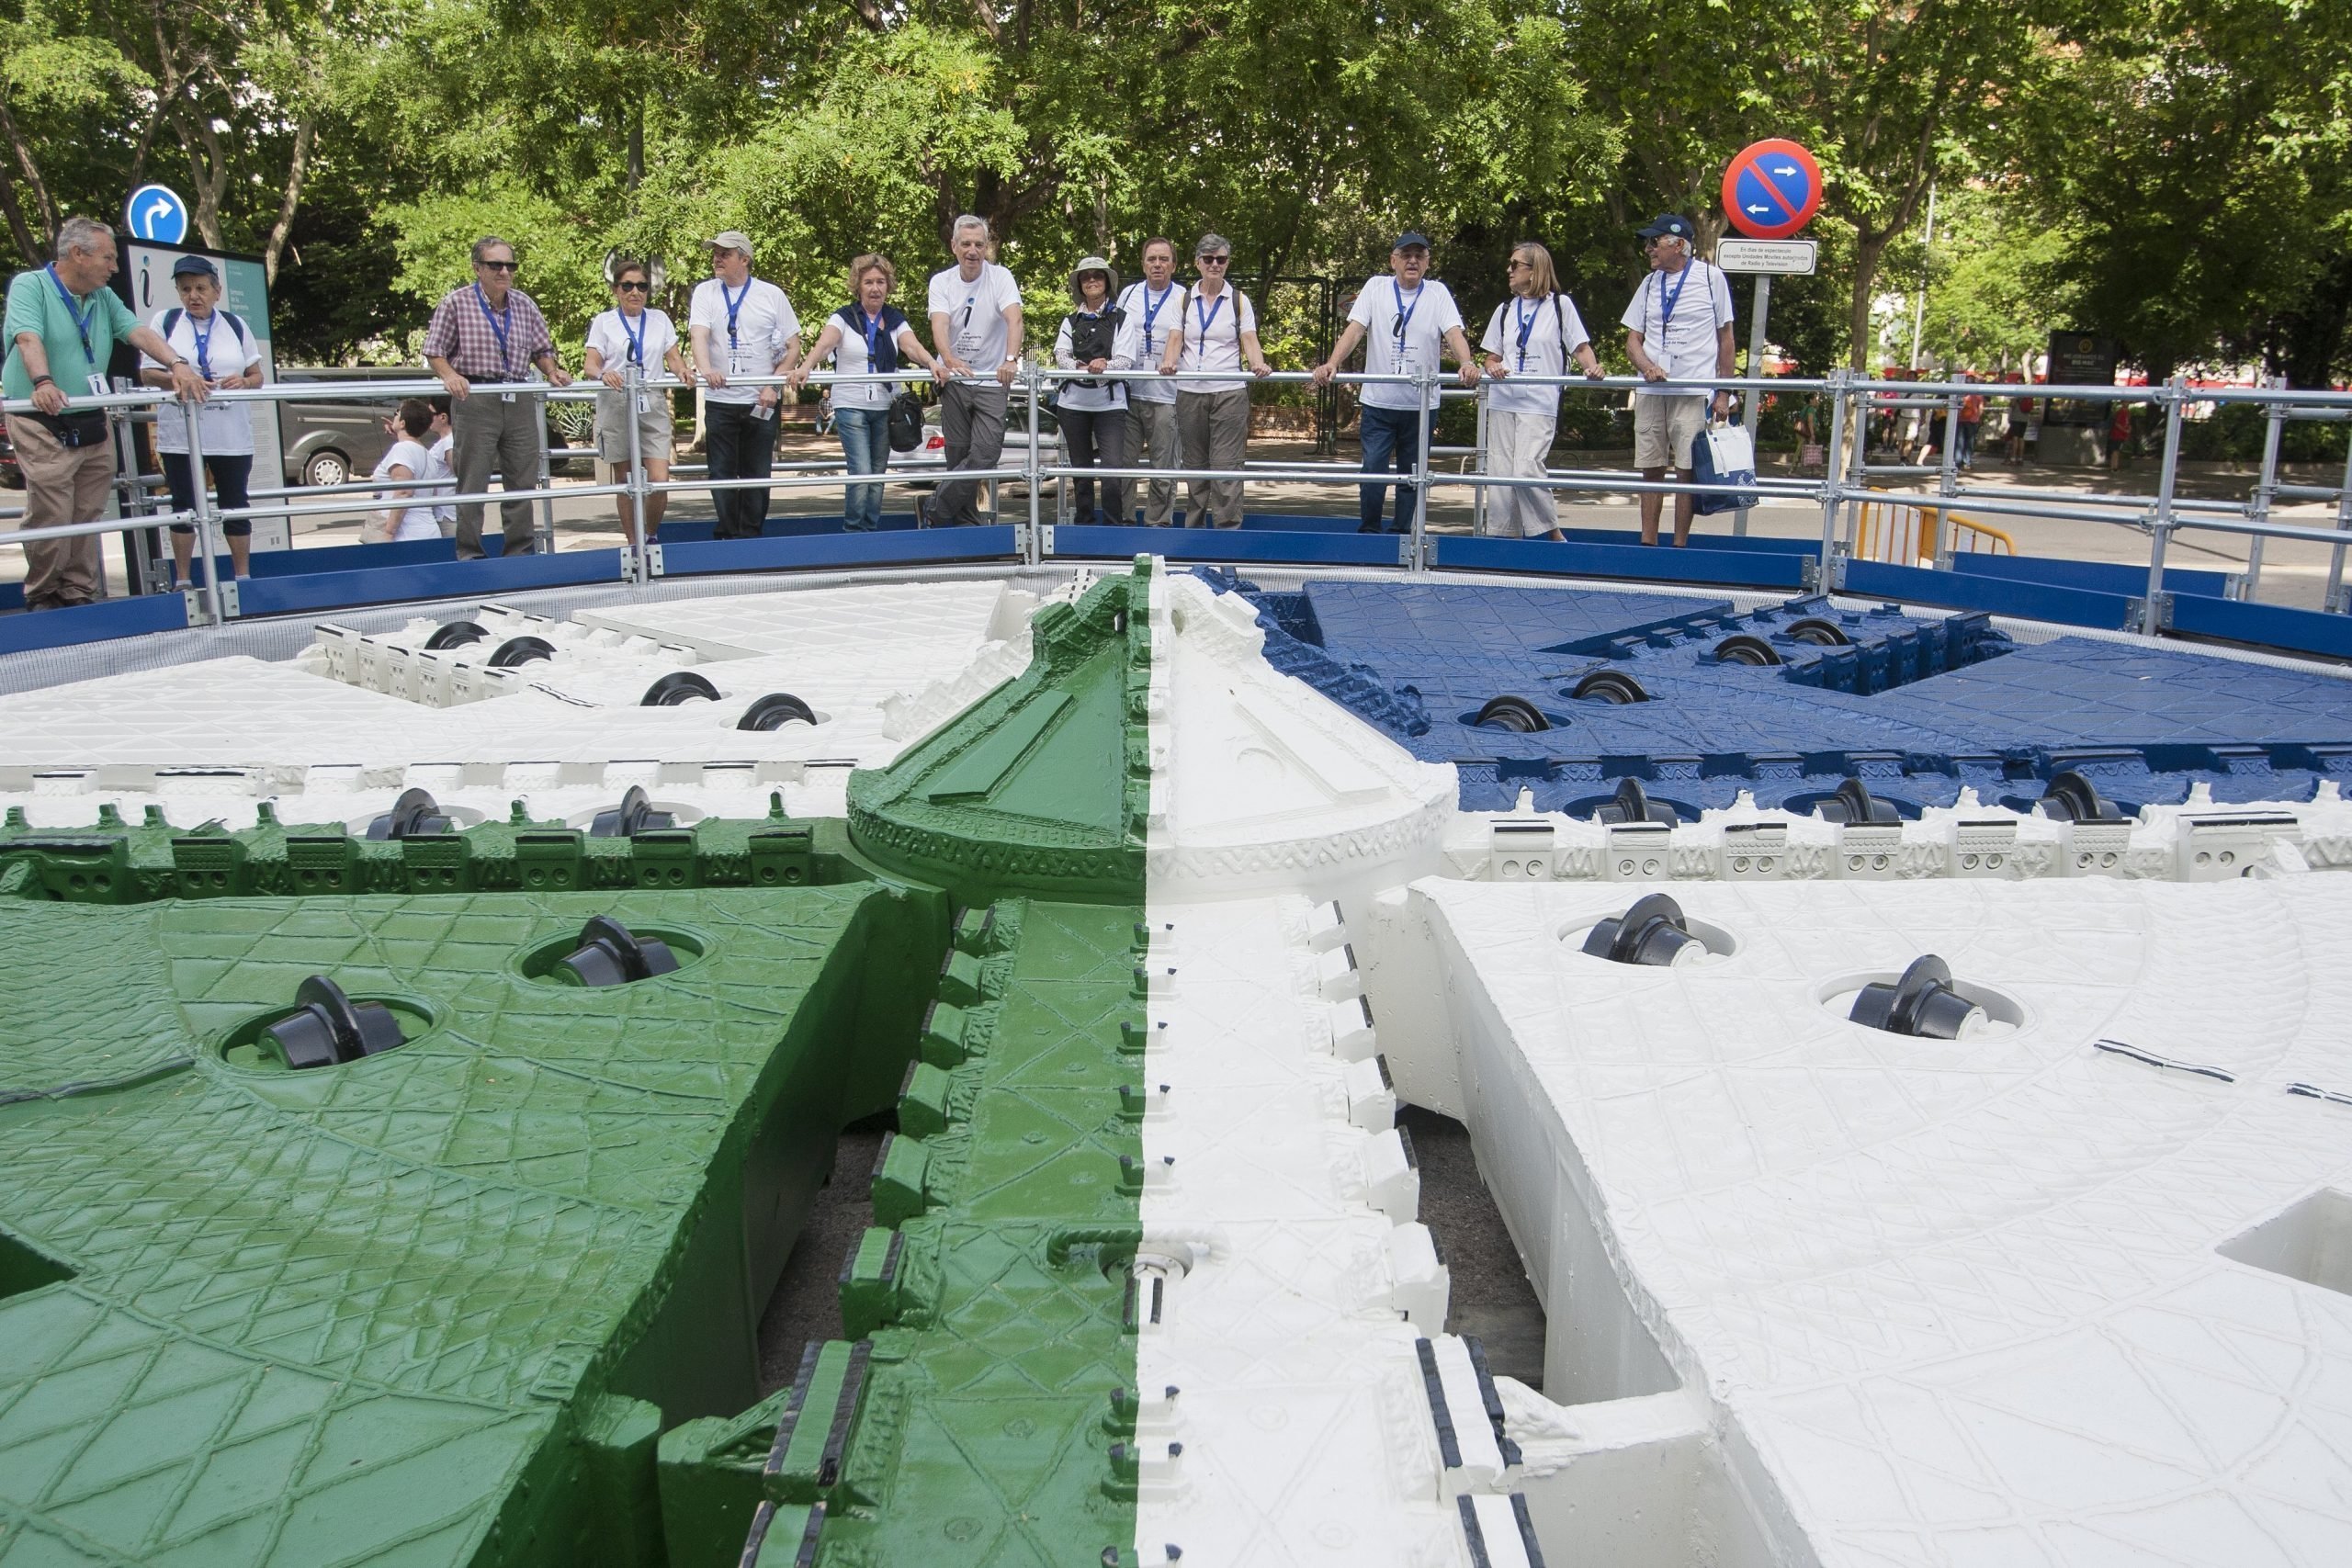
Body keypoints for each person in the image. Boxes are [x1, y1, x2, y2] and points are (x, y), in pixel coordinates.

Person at [3, 217, 207, 609]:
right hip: (42, 417)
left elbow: (137, 332)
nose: (114, 267)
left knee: (88, 509)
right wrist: (43, 382)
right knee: (53, 511)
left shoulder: (102, 297)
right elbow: (28, 337)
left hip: (91, 416)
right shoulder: (32, 285)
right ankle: (44, 593)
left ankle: (77, 591)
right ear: (78, 254)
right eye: (108, 258)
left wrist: (178, 364)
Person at [1313, 232, 1481, 534]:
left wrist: (1466, 362)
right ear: (1393, 260)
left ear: (1428, 262)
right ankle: (1369, 532)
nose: (1412, 261)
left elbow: (1453, 333)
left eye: (1419, 256)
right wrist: (1332, 363)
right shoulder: (1376, 287)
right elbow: (1355, 329)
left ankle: (1403, 535)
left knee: (1412, 475)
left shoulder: (1437, 293)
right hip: (1379, 402)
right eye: (1406, 255)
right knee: (1373, 471)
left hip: (1421, 405)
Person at [424, 235, 571, 558]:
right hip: (476, 396)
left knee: (522, 480)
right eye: (496, 265)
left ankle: (519, 555)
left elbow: (542, 350)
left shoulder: (525, 304)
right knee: (472, 482)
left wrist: (552, 371)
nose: (504, 271)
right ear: (477, 268)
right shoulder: (456, 303)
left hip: (518, 395)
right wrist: (450, 375)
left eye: (510, 265)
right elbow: (434, 350)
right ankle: (470, 556)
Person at [138, 255, 265, 582]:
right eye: (185, 289)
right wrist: (180, 379)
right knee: (184, 504)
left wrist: (244, 382)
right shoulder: (165, 322)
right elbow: (147, 373)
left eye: (200, 288)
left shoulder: (235, 324)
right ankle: (183, 579)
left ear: (216, 291)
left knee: (235, 503)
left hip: (230, 434)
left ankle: (242, 577)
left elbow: (257, 375)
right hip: (182, 434)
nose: (193, 296)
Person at [793, 254, 937, 531]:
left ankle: (869, 530)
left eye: (881, 282)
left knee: (878, 472)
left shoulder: (894, 319)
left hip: (885, 407)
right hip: (851, 405)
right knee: (861, 471)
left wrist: (932, 363)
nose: (875, 288)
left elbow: (912, 347)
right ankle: (853, 531)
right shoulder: (843, 317)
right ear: (857, 286)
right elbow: (825, 345)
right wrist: (806, 367)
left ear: (888, 286)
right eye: (869, 282)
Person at [1620, 214, 1734, 547]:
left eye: (1654, 242)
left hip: (1693, 390)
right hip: (1652, 390)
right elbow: (1632, 340)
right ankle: (1648, 543)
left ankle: (1679, 545)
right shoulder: (1649, 283)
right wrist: (1647, 367)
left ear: (1679, 244)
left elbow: (1726, 340)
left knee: (1687, 470)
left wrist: (1723, 393)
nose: (1648, 249)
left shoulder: (1711, 278)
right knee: (1651, 467)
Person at [1477, 242, 1602, 541]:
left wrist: (1592, 368)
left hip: (1539, 401)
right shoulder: (1505, 309)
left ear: (1534, 271)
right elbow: (1491, 357)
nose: (1509, 270)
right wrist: (1493, 367)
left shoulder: (1560, 306)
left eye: (1515, 264)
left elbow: (1580, 347)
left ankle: (1552, 532)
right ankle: (1502, 539)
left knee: (1526, 469)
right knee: (1500, 474)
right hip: (1504, 399)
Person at [687, 231, 800, 539]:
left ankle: (750, 536)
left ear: (745, 259)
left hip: (760, 400)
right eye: (715, 253)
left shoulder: (771, 294)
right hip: (720, 399)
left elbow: (793, 346)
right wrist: (706, 369)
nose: (717, 259)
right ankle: (727, 534)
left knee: (757, 473)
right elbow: (699, 335)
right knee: (721, 472)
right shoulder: (705, 292)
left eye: (725, 254)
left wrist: (772, 386)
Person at [1157, 233, 1272, 528]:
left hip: (1228, 393)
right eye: (1208, 259)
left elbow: (1249, 338)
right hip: (1190, 393)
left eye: (1221, 259)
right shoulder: (1184, 300)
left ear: (1227, 263)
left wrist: (1257, 364)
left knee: (1226, 468)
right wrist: (1169, 361)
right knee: (1195, 468)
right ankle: (1194, 533)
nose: (1215, 264)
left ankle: (1226, 535)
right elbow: (1175, 338)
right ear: (1198, 263)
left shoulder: (1238, 300)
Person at [582, 257, 691, 546]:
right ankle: (633, 544)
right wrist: (604, 374)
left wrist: (683, 371)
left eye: (642, 286)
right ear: (616, 290)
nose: (635, 292)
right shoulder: (604, 322)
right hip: (616, 399)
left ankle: (650, 535)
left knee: (659, 479)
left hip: (650, 399)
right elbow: (590, 364)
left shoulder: (659, 319)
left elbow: (674, 358)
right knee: (626, 479)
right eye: (628, 286)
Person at [923, 216, 1023, 527]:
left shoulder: (1000, 277)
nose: (972, 251)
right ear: (954, 246)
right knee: (957, 455)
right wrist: (949, 359)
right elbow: (939, 324)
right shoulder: (941, 282)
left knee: (986, 453)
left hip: (992, 380)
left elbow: (1014, 319)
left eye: (979, 244)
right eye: (966, 244)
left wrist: (1010, 359)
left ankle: (934, 508)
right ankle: (966, 525)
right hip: (955, 380)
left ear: (986, 247)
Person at [1114, 239, 1187, 525]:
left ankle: (1157, 524)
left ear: (1174, 265)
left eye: (1164, 259)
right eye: (1152, 259)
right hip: (1128, 393)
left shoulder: (1184, 297)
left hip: (1166, 396)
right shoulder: (1128, 294)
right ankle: (1124, 522)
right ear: (1143, 264)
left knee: (1163, 467)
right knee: (1123, 465)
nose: (1158, 264)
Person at [1054, 257, 1130, 525]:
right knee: (1081, 469)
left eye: (1098, 275)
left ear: (1107, 281)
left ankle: (1113, 527)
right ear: (1080, 284)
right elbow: (1061, 356)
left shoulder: (1121, 319)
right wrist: (1081, 366)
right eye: (1086, 277)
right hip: (1073, 404)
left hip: (1110, 405)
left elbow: (1125, 360)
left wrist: (1104, 365)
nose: (1092, 280)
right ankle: (1084, 524)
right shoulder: (1070, 320)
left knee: (1112, 470)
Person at [368, 399, 442, 542]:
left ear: (402, 423)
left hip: (405, 534)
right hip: (426, 530)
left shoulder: (401, 450)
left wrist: (388, 533)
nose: (394, 416)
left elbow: (404, 492)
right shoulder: (427, 455)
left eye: (397, 413)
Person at [425, 396, 456, 536]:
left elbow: (458, 473)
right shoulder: (445, 441)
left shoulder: (449, 442)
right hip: (443, 511)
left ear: (443, 417)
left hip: (448, 514)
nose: (427, 418)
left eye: (430, 414)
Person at [1956, 377, 1984, 469]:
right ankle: (1967, 462)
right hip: (1972, 421)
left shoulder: (1960, 394)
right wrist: (1979, 418)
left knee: (1960, 442)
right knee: (1970, 442)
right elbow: (1981, 407)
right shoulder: (1978, 394)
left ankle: (1958, 462)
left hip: (1960, 420)